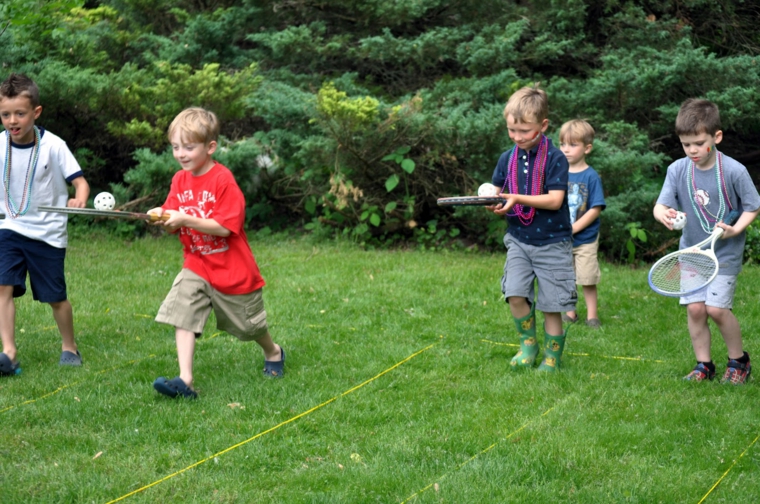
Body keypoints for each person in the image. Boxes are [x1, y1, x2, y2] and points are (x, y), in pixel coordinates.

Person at [148, 107, 284, 399]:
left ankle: (273, 351)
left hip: (232, 269)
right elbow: (173, 221)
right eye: (175, 147)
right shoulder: (179, 180)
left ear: (210, 147)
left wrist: (184, 219)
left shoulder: (223, 180)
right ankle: (185, 380)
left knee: (249, 328)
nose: (181, 154)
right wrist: (162, 217)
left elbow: (225, 227)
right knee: (182, 313)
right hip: (197, 264)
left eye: (188, 147)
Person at [654, 98, 760, 384]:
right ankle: (704, 365)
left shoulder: (734, 170)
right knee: (696, 308)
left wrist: (736, 230)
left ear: (717, 137)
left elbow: (752, 206)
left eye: (699, 143)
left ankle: (739, 362)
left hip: (724, 254)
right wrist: (664, 215)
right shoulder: (677, 170)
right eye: (686, 144)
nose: (692, 150)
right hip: (691, 252)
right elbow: (660, 205)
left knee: (716, 309)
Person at [0, 73, 90, 376]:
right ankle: (9, 353)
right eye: (5, 114)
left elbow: (80, 183)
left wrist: (78, 198)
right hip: (9, 227)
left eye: (20, 114)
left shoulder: (53, 145)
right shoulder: (0, 145)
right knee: (3, 287)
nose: (13, 120)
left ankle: (69, 346)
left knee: (55, 297)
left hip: (48, 233)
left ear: (36, 112)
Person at [488, 85, 576, 372]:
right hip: (518, 239)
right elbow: (497, 189)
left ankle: (552, 358)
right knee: (514, 293)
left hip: (553, 242)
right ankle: (529, 345)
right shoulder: (506, 158)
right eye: (512, 130)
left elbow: (555, 200)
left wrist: (515, 198)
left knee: (551, 305)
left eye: (524, 131)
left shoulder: (555, 158)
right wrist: (490, 198)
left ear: (543, 125)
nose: (517, 137)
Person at [559, 120, 606, 329]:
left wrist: (575, 228)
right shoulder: (557, 173)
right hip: (561, 238)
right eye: (562, 144)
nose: (566, 149)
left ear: (587, 148)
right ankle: (570, 312)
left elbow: (595, 208)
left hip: (584, 238)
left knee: (586, 277)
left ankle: (592, 316)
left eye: (572, 145)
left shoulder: (591, 176)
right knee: (566, 275)